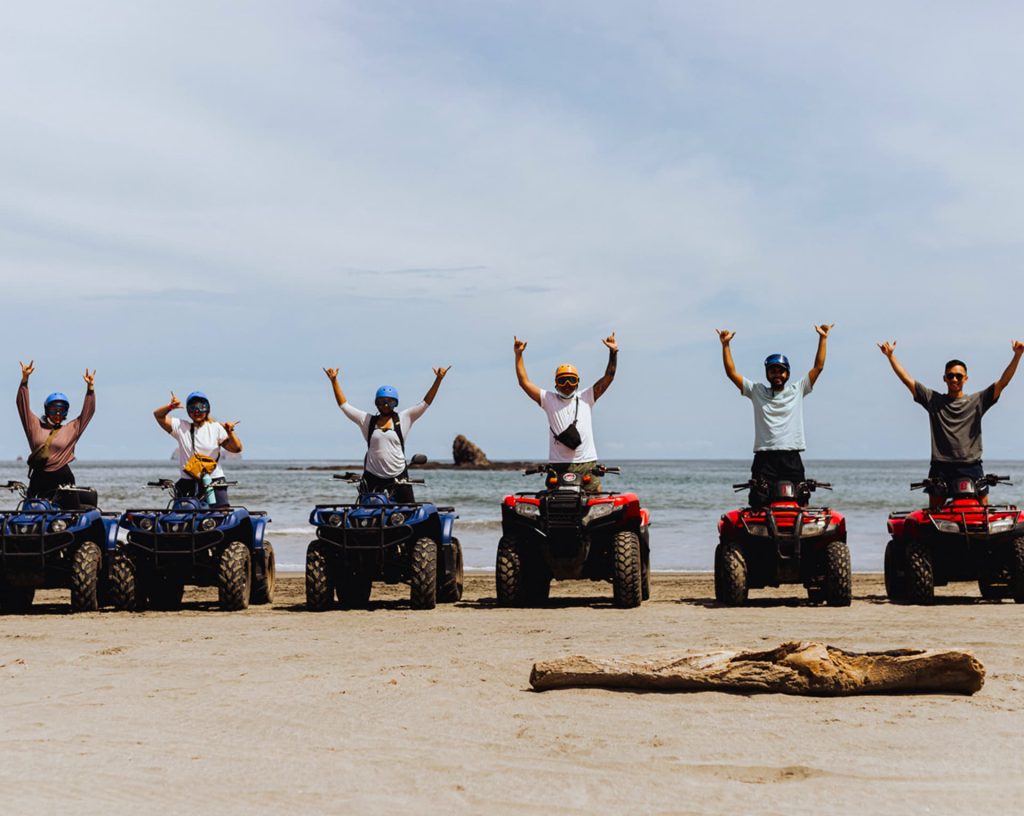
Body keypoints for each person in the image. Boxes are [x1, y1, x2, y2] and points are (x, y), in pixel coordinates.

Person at [878, 339, 1024, 509]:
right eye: (950, 375)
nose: (955, 379)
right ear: (944, 378)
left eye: (959, 376)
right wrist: (890, 356)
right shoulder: (933, 400)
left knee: (983, 514)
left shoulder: (978, 401)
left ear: (966, 378)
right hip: (941, 467)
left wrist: (1018, 355)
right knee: (934, 516)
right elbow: (907, 380)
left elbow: (1003, 382)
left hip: (972, 467)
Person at [717, 325, 833, 507]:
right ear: (767, 373)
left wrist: (823, 338)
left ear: (787, 373)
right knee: (758, 502)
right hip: (765, 458)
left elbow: (818, 367)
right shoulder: (756, 391)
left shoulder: (797, 389)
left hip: (791, 457)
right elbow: (731, 373)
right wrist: (725, 345)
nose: (777, 374)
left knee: (800, 501)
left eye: (780, 371)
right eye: (773, 371)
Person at [324, 366, 449, 502]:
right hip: (372, 478)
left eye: (390, 402)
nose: (385, 405)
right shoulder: (367, 421)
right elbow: (344, 406)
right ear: (376, 403)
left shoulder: (404, 418)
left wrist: (438, 379)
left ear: (396, 403)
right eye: (381, 402)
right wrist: (334, 380)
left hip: (399, 478)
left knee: (409, 513)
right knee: (364, 515)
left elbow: (425, 403)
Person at [513, 332, 618, 494]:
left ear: (577, 382)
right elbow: (524, 382)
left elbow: (608, 377)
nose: (567, 384)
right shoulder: (548, 399)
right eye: (562, 380)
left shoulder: (587, 396)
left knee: (594, 502)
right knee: (555, 505)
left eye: (571, 380)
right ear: (556, 383)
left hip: (587, 463)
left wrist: (613, 353)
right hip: (558, 464)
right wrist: (518, 355)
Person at [17, 361, 96, 499]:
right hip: (39, 477)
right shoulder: (34, 426)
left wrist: (90, 389)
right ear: (47, 410)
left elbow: (88, 413)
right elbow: (22, 405)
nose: (58, 414)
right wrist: (25, 380)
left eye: (62, 410)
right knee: (29, 513)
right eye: (54, 410)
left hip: (63, 478)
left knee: (71, 516)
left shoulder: (72, 428)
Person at [153, 391, 242, 506]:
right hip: (187, 481)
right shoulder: (181, 427)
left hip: (214, 480)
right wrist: (170, 406)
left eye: (201, 407)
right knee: (181, 516)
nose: (197, 411)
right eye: (192, 407)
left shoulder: (216, 428)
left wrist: (230, 432)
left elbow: (237, 448)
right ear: (188, 411)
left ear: (207, 409)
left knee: (220, 515)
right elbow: (158, 415)